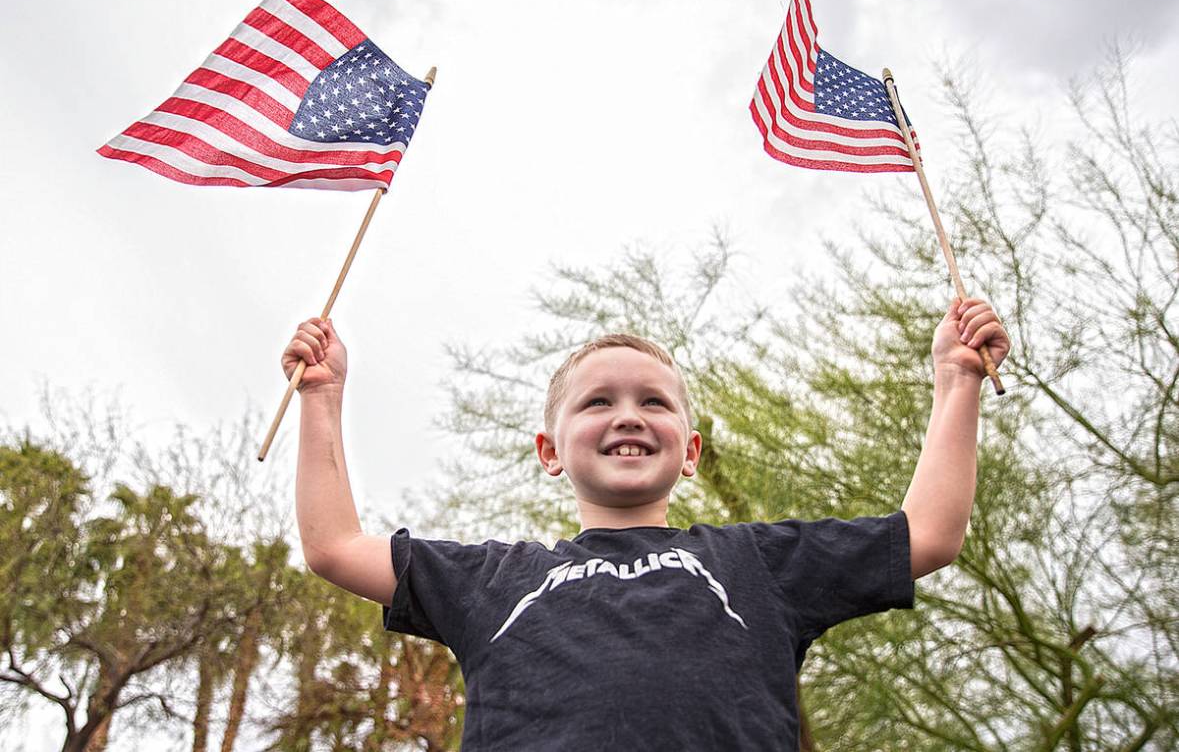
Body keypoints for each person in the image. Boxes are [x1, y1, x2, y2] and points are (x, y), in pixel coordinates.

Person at [283, 297, 1010, 750]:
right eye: (597, 401)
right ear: (549, 451)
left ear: (690, 452)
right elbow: (336, 546)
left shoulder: (756, 564)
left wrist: (956, 381)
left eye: (654, 402)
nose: (627, 413)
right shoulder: (491, 580)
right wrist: (322, 396)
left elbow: (928, 532)